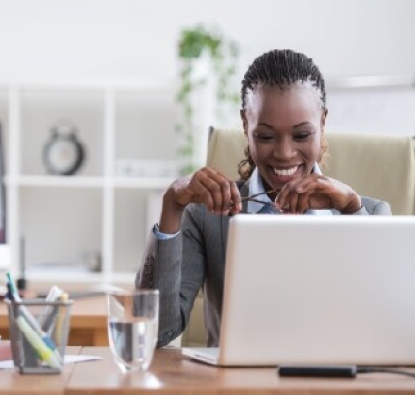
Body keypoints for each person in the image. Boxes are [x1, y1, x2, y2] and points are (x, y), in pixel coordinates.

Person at [136, 49, 391, 348]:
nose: (284, 153)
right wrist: (172, 205)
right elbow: (154, 332)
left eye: (301, 135)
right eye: (266, 136)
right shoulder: (205, 215)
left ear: (323, 123)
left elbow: (384, 327)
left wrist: (352, 209)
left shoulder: (369, 213)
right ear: (246, 125)